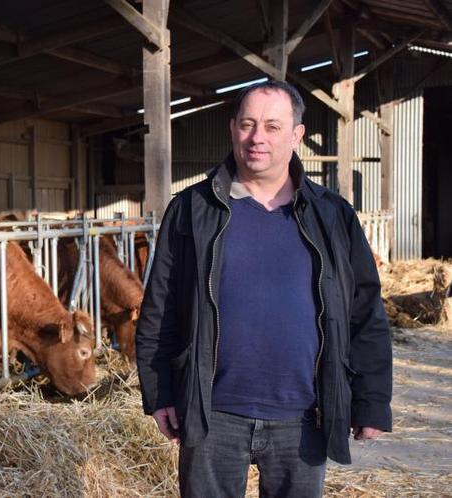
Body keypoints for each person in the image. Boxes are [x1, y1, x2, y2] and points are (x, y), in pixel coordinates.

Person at [135, 80, 392, 497]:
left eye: (273, 126)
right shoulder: (191, 210)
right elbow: (159, 308)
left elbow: (364, 313)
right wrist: (160, 391)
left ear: (296, 135)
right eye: (248, 124)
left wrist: (372, 401)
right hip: (212, 412)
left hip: (304, 415)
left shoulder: (332, 216)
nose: (258, 138)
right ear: (232, 128)